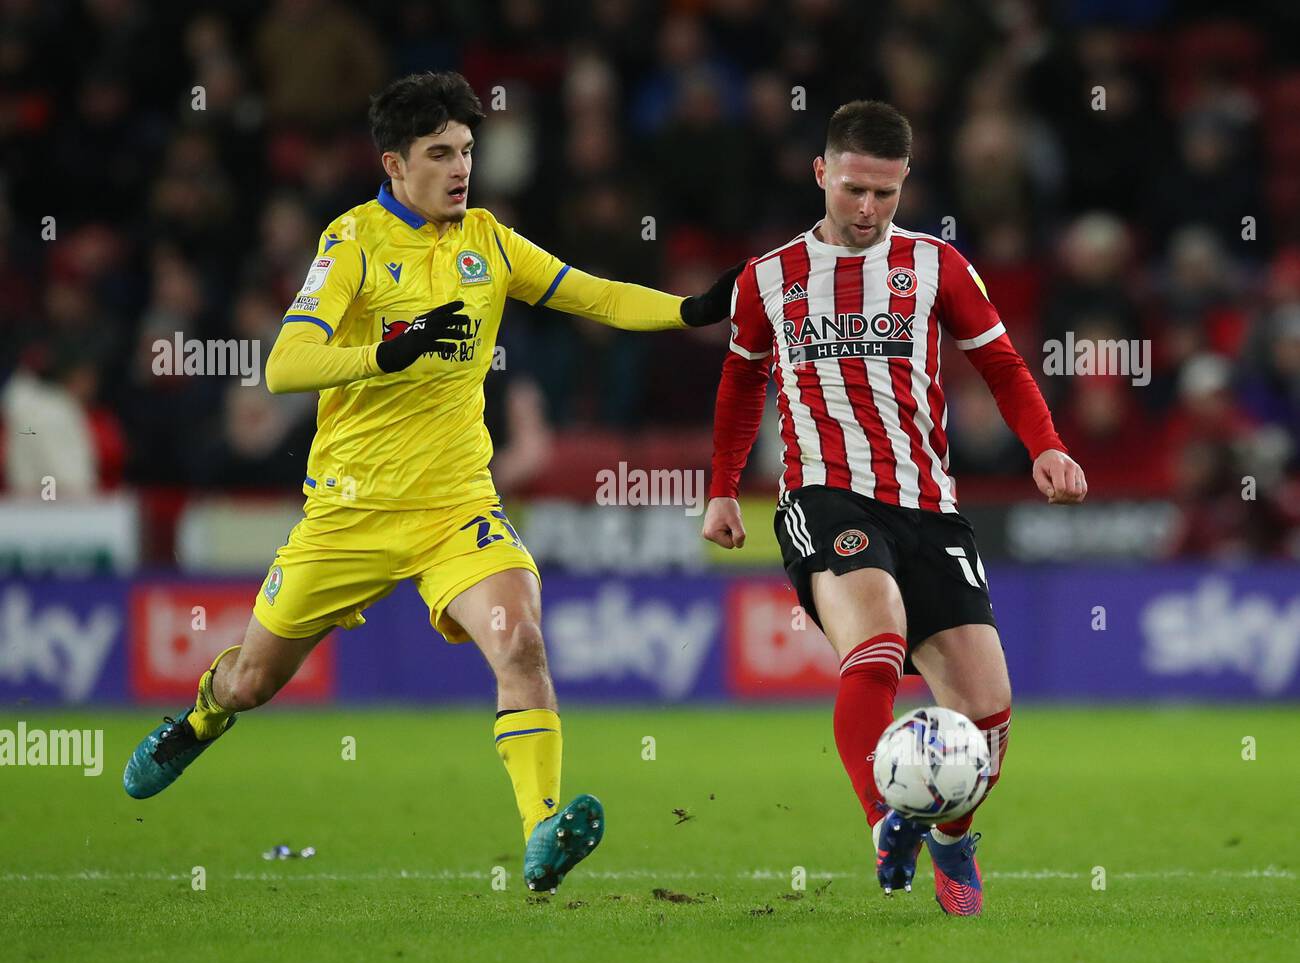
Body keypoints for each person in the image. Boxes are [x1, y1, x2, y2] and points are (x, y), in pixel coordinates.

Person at [124, 71, 742, 895]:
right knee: (252, 681)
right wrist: (391, 349)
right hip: (349, 511)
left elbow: (593, 295)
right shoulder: (351, 244)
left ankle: (542, 831)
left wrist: (695, 309)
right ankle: (202, 715)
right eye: (441, 153)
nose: (461, 168)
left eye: (468, 151)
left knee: (521, 639)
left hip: (457, 506)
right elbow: (284, 365)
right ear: (394, 164)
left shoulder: (489, 239)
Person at [701, 100, 1087, 915]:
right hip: (823, 495)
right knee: (874, 645)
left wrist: (1045, 442)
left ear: (906, 182)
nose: (868, 209)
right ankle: (886, 822)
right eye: (852, 190)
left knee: (987, 707)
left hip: (928, 505)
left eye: (885, 192)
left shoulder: (937, 264)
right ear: (821, 174)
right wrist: (721, 488)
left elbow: (1005, 365)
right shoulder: (765, 279)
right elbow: (739, 386)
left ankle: (949, 833)